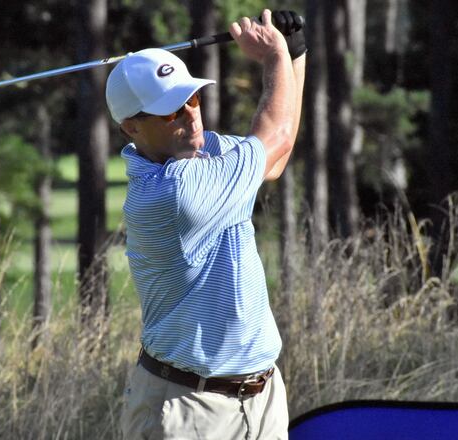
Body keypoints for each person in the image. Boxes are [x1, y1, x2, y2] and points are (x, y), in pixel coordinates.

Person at [106, 9, 306, 439]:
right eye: (171, 111)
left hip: (262, 397)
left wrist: (295, 54)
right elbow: (279, 136)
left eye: (192, 98)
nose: (190, 115)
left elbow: (274, 161)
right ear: (131, 127)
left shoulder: (201, 152)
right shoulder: (175, 192)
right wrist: (275, 58)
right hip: (187, 410)